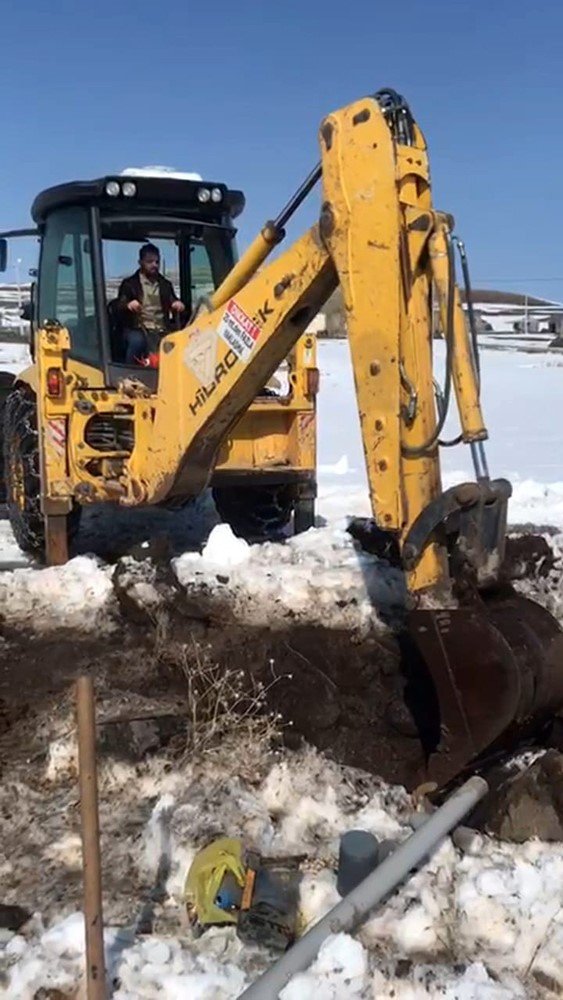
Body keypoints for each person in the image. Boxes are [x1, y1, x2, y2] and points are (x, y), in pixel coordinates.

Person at [117, 243, 185, 364]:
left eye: (157, 262)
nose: (154, 265)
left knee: (179, 343)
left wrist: (177, 304)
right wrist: (128, 305)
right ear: (140, 262)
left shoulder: (165, 284)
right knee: (137, 342)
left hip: (162, 328)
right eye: (150, 262)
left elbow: (172, 299)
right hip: (137, 327)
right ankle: (131, 372)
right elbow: (118, 305)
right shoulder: (130, 284)